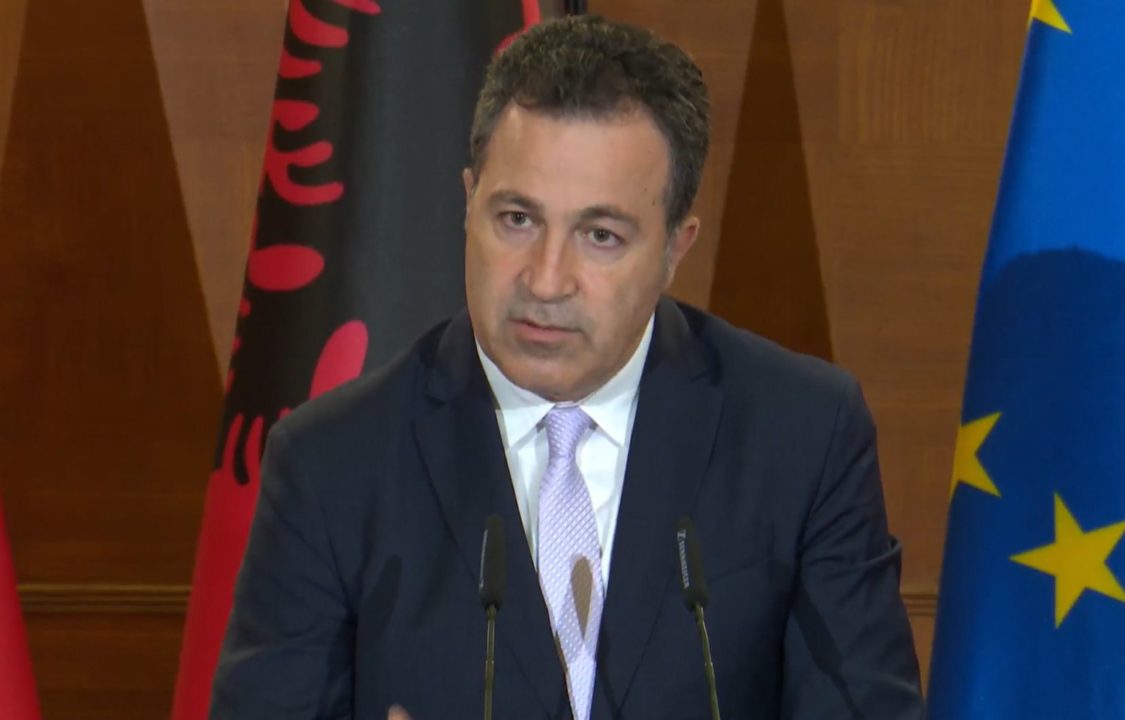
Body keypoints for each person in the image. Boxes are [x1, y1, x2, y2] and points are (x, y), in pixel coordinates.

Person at [211, 15, 924, 720]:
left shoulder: (801, 436)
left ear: (676, 247)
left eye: (600, 235)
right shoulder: (333, 464)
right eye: (517, 220)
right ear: (468, 203)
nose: (546, 280)